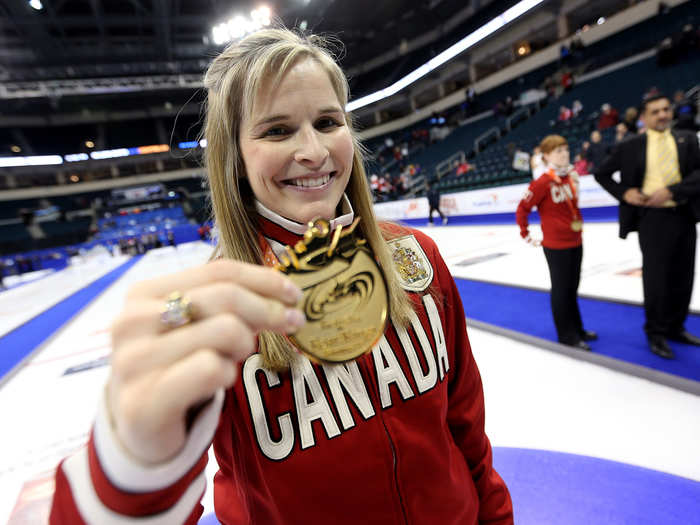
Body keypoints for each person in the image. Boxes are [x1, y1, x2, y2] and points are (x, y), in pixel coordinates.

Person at [50, 28, 513, 524]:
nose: (313, 151)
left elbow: (467, 429)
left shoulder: (416, 258)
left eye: (328, 121)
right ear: (236, 159)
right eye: (277, 130)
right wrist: (129, 465)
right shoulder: (216, 316)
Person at [594, 93, 700, 359]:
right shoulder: (631, 145)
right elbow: (601, 173)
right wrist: (625, 193)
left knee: (683, 276)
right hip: (652, 220)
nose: (662, 115)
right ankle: (656, 333)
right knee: (656, 281)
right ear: (644, 117)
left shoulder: (686, 139)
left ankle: (676, 327)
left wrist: (673, 191)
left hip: (684, 213)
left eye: (666, 110)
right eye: (655, 111)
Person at [516, 135, 597, 351]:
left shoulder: (570, 177)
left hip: (575, 240)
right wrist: (526, 233)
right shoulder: (542, 182)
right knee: (561, 290)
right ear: (546, 156)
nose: (564, 154)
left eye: (565, 149)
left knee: (572, 288)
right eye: (557, 151)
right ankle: (567, 335)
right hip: (556, 245)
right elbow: (522, 208)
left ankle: (578, 329)